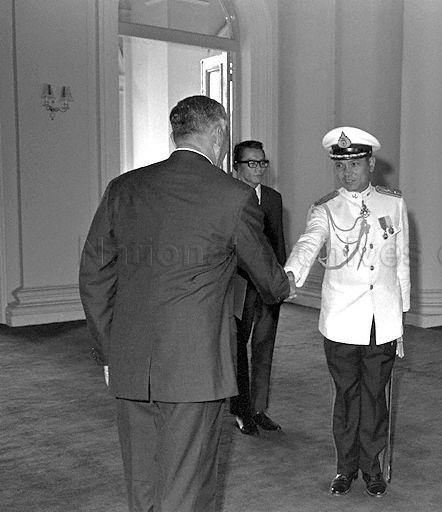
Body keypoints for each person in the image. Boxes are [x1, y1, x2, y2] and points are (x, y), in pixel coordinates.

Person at [79, 95, 294, 512]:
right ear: (216, 133)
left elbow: (93, 273)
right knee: (188, 485)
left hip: (129, 363)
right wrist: (287, 282)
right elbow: (269, 279)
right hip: (194, 370)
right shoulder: (233, 196)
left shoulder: (124, 188)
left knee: (142, 484)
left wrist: (109, 351)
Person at [284, 126, 410, 498]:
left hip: (382, 319)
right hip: (340, 320)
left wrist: (400, 318)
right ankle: (344, 467)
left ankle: (372, 468)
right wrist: (292, 271)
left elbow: (401, 262)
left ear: (370, 163)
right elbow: (310, 242)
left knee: (374, 395)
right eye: (340, 166)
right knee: (346, 396)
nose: (347, 173)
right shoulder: (325, 207)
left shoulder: (393, 203)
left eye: (354, 164)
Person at [230, 140, 286, 435]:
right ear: (236, 167)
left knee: (264, 347)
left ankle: (258, 408)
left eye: (262, 162)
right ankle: (240, 409)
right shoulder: (229, 196)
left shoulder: (274, 199)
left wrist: (281, 283)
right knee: (237, 347)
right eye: (251, 163)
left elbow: (278, 244)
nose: (259, 168)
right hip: (238, 286)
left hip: (267, 286)